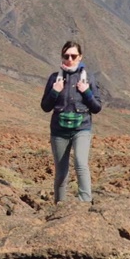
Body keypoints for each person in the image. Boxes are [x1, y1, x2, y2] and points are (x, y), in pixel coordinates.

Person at [40, 40, 102, 203]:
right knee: (61, 172)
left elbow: (96, 107)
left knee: (81, 163)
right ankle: (59, 205)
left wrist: (86, 91)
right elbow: (45, 106)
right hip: (59, 131)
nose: (70, 59)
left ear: (80, 57)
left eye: (74, 56)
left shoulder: (88, 78)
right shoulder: (55, 78)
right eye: (66, 56)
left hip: (82, 128)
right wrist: (55, 91)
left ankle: (85, 204)